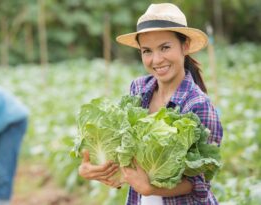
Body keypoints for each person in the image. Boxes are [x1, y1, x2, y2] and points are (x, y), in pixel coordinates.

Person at [79, 3, 223, 205]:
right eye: (147, 51)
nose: (156, 59)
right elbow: (127, 154)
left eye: (165, 47)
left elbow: (200, 182)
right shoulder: (138, 89)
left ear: (185, 46)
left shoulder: (198, 104)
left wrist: (150, 188)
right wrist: (95, 169)